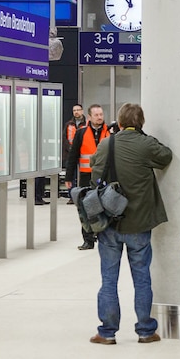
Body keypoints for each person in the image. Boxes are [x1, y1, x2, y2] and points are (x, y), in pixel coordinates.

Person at [87, 103, 173, 345]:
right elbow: (166, 156)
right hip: (139, 223)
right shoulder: (146, 145)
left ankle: (107, 332)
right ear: (141, 123)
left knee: (108, 279)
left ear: (120, 122)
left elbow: (95, 169)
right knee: (142, 277)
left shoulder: (107, 143)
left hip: (110, 224)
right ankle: (145, 330)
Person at [66, 104, 111, 250]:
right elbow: (72, 157)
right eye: (96, 115)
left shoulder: (110, 132)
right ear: (90, 117)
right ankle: (88, 239)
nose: (100, 117)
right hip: (86, 176)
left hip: (106, 175)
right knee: (85, 207)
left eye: (101, 114)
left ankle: (105, 237)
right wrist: (68, 178)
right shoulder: (81, 133)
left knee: (107, 206)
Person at [63, 103, 87, 204]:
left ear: (82, 111)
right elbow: (65, 138)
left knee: (82, 175)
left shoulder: (86, 124)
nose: (76, 112)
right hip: (70, 154)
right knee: (70, 175)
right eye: (74, 110)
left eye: (78, 110)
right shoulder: (69, 124)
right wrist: (71, 149)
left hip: (83, 153)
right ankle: (72, 196)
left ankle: (82, 194)